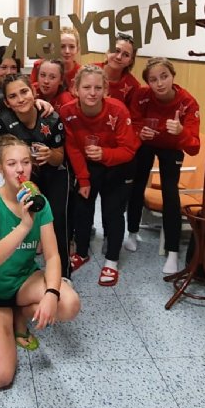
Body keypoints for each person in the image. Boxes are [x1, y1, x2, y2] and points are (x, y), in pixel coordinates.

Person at [0, 135, 81, 389]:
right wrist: (25, 226)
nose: (20, 169)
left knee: (68, 303)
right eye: (12, 164)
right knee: (0, 377)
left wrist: (51, 293)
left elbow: (52, 256)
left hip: (24, 280)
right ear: (0, 168)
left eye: (25, 162)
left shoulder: (39, 202)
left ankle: (18, 313)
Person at [60, 65, 140, 286]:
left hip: (119, 165)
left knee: (113, 212)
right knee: (82, 208)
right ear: (75, 89)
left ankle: (112, 260)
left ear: (106, 90)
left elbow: (129, 150)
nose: (92, 93)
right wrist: (83, 179)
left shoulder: (118, 110)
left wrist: (105, 154)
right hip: (88, 165)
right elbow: (72, 148)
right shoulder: (67, 112)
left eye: (98, 87)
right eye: (86, 87)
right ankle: (81, 252)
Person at [124, 58, 202, 274]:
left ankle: (173, 251)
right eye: (153, 79)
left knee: (170, 192)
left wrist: (181, 132)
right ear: (147, 82)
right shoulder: (141, 95)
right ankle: (132, 233)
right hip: (147, 144)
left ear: (173, 76)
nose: (159, 83)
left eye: (164, 77)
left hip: (171, 146)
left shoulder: (188, 103)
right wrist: (140, 132)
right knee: (137, 185)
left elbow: (194, 147)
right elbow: (132, 123)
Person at [0, 74, 72, 277]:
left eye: (24, 92)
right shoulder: (3, 122)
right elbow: (6, 159)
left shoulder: (51, 118)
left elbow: (59, 158)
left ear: (34, 92)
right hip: (24, 176)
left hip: (54, 173)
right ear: (7, 102)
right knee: (21, 218)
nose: (20, 99)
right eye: (13, 96)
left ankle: (64, 273)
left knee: (58, 221)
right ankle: (19, 271)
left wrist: (50, 155)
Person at [97, 33, 141, 106]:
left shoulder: (133, 86)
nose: (119, 57)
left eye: (126, 55)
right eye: (116, 50)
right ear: (108, 52)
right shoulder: (87, 71)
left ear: (130, 61)